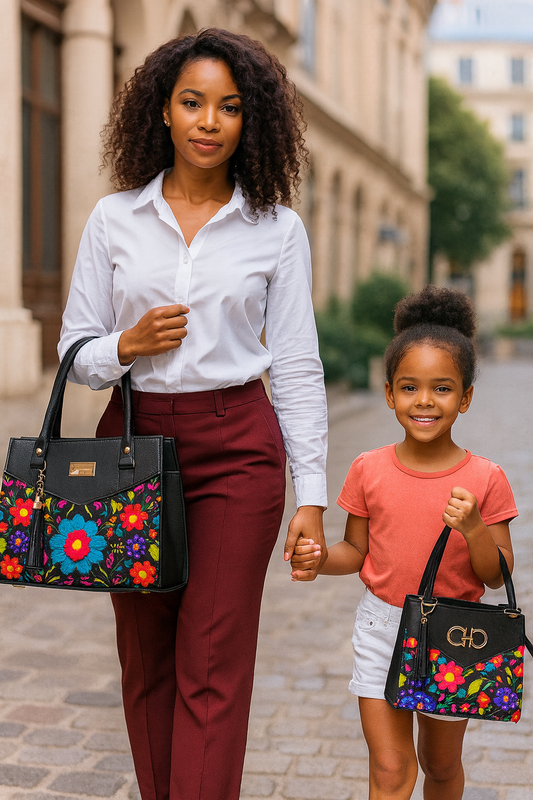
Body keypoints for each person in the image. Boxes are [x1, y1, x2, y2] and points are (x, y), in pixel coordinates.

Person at [58, 28, 328, 800]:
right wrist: (125, 343)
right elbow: (74, 351)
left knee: (210, 659)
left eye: (230, 106)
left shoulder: (275, 228)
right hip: (130, 444)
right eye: (192, 102)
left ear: (252, 122)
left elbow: (299, 363)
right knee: (144, 657)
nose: (210, 120)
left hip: (239, 448)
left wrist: (310, 495)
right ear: (164, 114)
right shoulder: (115, 219)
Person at [291, 286, 517, 800]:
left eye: (441, 388)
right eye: (410, 387)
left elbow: (496, 574)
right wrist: (320, 558)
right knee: (391, 771)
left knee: (439, 767)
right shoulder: (368, 469)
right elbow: (356, 553)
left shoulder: (486, 478)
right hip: (381, 626)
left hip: (457, 635)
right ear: (390, 393)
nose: (424, 401)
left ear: (465, 397)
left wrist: (476, 529)